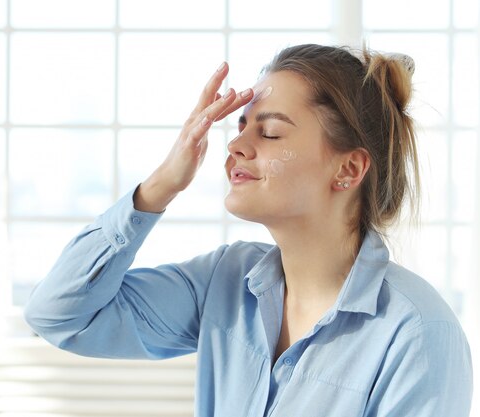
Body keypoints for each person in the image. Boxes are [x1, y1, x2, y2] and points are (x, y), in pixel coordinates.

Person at [24, 44, 473, 416]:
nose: (236, 145)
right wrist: (158, 187)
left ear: (348, 168)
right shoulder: (224, 281)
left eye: (271, 133)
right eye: (240, 127)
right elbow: (59, 316)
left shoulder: (417, 332)